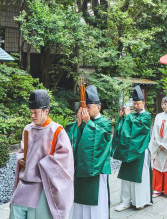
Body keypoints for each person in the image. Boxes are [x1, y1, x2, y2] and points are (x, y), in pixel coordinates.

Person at [10, 89, 74, 219]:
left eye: (36, 112)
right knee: (15, 211)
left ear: (46, 111)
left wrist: (43, 164)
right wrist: (21, 159)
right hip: (25, 182)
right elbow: (22, 152)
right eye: (31, 112)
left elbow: (65, 161)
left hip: (44, 184)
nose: (33, 116)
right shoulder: (28, 129)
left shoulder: (57, 131)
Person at [66, 85, 112, 219]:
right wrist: (80, 124)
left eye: (89, 107)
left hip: (97, 169)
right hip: (81, 168)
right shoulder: (85, 121)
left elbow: (102, 140)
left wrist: (88, 123)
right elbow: (73, 140)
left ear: (98, 107)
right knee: (79, 202)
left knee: (96, 203)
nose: (86, 110)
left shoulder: (105, 122)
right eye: (84, 107)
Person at [112, 85, 152, 211]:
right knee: (125, 177)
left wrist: (128, 117)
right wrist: (122, 117)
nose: (135, 106)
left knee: (139, 177)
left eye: (138, 103)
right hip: (127, 151)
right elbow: (121, 130)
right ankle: (125, 201)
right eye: (134, 103)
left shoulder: (147, 116)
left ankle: (140, 201)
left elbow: (138, 129)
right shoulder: (132, 115)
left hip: (139, 151)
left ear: (143, 103)